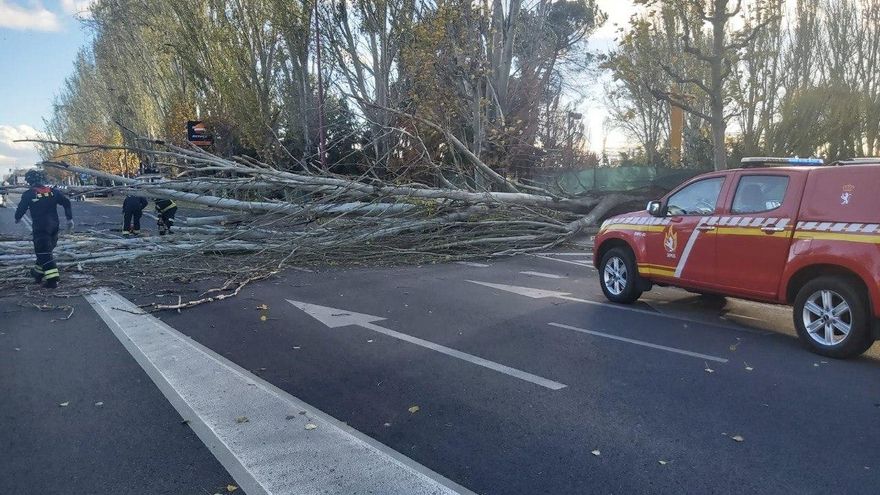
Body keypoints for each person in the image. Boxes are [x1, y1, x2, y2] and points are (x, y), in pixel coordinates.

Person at [14, 169, 74, 289]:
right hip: (54, 228)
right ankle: (37, 273)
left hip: (41, 228)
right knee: (45, 252)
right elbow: (67, 202)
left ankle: (52, 280)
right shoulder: (53, 192)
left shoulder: (29, 194)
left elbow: (21, 209)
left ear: (29, 181)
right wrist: (69, 219)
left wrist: (17, 218)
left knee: (44, 253)